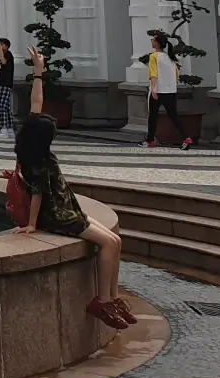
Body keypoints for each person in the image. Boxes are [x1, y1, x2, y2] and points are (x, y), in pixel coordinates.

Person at [15, 107, 133, 330]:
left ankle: (114, 298)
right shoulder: (37, 163)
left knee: (115, 239)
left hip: (69, 209)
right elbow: (37, 195)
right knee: (109, 243)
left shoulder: (41, 155)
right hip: (59, 217)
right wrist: (32, 224)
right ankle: (102, 302)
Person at [143, 30, 193, 149]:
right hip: (171, 91)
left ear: (157, 43)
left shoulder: (154, 56)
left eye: (153, 40)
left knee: (153, 117)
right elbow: (176, 75)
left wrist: (154, 88)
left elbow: (153, 74)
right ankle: (186, 137)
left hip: (158, 90)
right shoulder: (170, 57)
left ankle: (150, 140)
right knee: (173, 116)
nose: (152, 42)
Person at [0, 37, 16, 139]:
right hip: (1, 83)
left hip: (6, 84)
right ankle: (9, 130)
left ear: (6, 45)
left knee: (1, 107)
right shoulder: (2, 56)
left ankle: (4, 128)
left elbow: (4, 62)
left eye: (1, 44)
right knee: (6, 107)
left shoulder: (8, 54)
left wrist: (0, 51)